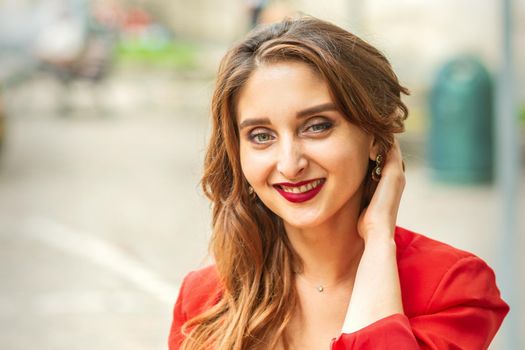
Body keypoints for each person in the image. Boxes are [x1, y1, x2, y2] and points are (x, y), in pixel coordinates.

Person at [169, 16, 509, 349]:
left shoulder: (452, 287)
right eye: (261, 136)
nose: (289, 164)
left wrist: (378, 241)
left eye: (317, 126)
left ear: (376, 137)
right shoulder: (203, 301)